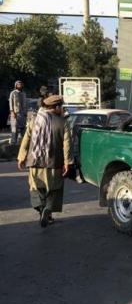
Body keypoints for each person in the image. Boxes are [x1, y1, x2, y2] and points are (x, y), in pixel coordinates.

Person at [17, 95, 73, 227]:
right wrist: (67, 162)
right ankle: (48, 208)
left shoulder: (34, 120)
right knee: (54, 189)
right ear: (56, 107)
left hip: (34, 162)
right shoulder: (63, 122)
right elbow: (67, 145)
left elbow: (26, 139)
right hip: (54, 163)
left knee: (36, 188)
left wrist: (21, 157)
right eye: (61, 107)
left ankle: (41, 209)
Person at [9, 80, 27, 145]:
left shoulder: (24, 93)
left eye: (21, 84)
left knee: (23, 128)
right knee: (14, 128)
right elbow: (11, 103)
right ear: (16, 85)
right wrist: (12, 111)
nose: (20, 85)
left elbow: (26, 103)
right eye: (18, 84)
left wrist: (26, 113)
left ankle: (23, 143)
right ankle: (13, 142)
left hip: (23, 113)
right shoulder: (13, 93)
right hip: (15, 113)